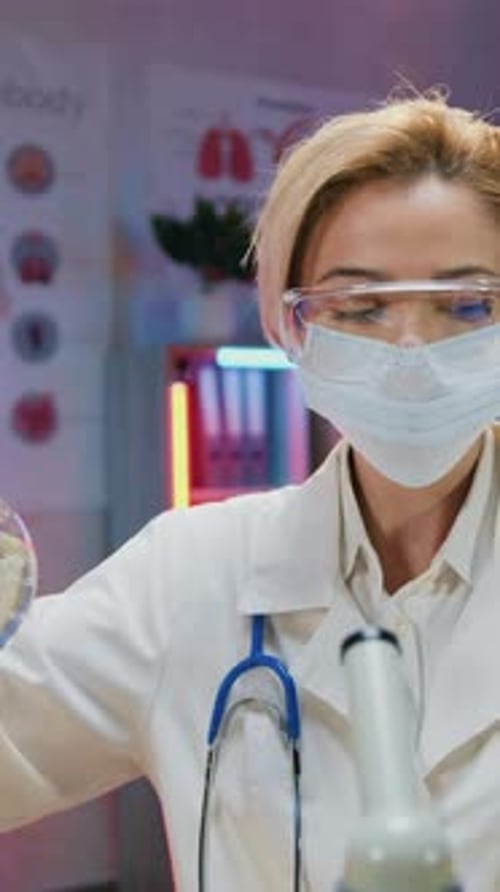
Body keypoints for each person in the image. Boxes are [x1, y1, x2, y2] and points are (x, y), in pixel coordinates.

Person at [2, 90, 500, 892]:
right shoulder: (190, 576)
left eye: (469, 304)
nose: (411, 348)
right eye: (361, 306)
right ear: (294, 326)